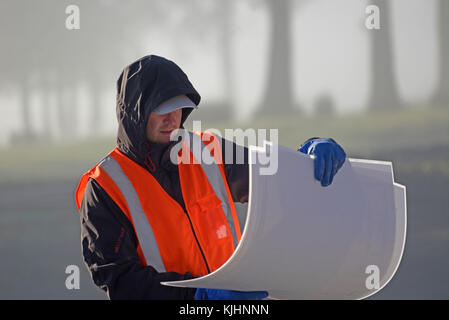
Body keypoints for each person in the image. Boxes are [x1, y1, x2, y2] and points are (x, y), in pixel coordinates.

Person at [75, 55, 346, 300]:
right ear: (136, 113)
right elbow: (120, 281)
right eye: (161, 109)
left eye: (179, 107)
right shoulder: (103, 188)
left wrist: (307, 155)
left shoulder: (207, 150)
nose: (173, 119)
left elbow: (275, 176)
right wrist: (199, 297)